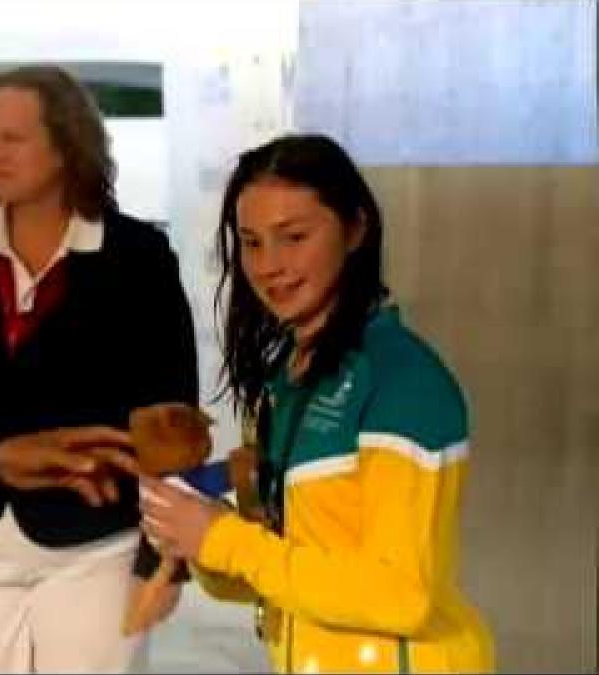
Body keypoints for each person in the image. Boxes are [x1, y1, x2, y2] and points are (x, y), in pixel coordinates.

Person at [0, 65, 200, 672]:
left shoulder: (138, 258)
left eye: (13, 138)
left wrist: (162, 558)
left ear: (67, 143)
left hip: (96, 546)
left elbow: (171, 419)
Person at [138, 134, 495, 673]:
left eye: (294, 236)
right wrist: (197, 536)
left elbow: (401, 596)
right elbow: (291, 572)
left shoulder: (402, 380)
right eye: (253, 242)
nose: (268, 266)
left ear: (355, 229)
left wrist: (224, 539)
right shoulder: (286, 383)